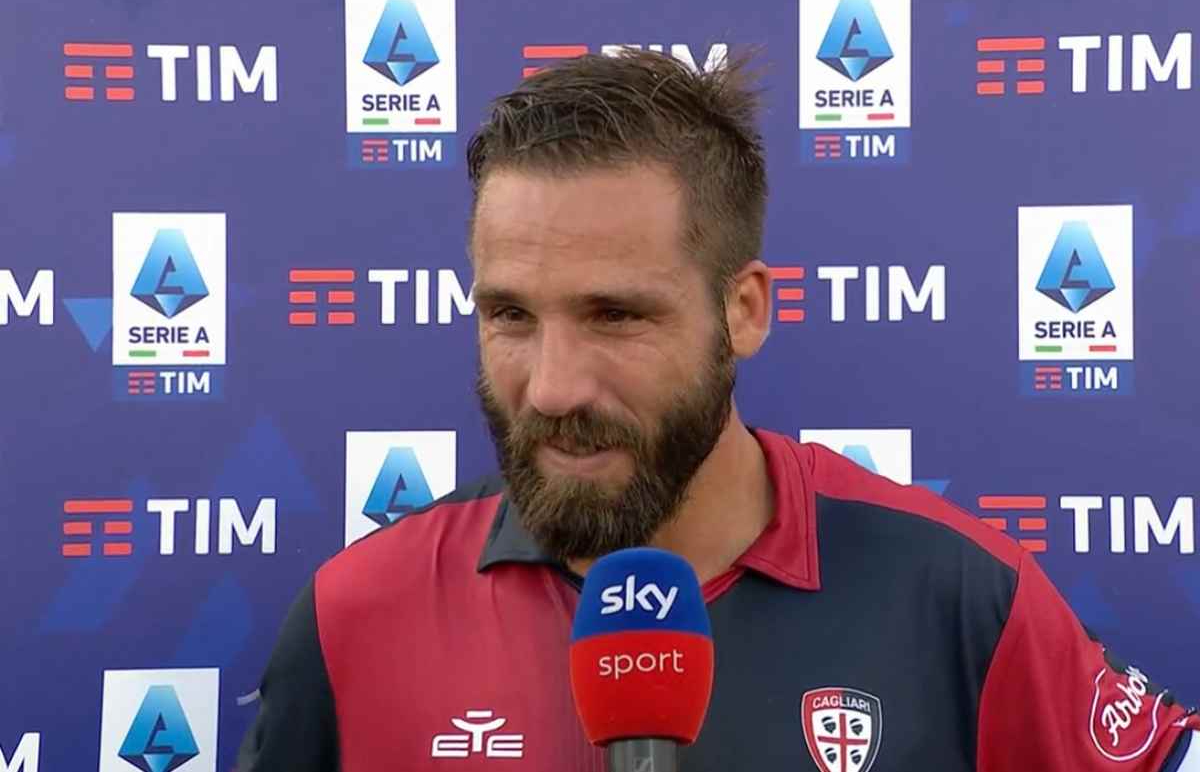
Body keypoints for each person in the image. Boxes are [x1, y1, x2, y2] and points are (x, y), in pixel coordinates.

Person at [237, 49, 1198, 771]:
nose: (553, 386)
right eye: (511, 316)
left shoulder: (958, 596)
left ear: (744, 310)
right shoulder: (355, 614)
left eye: (616, 315)